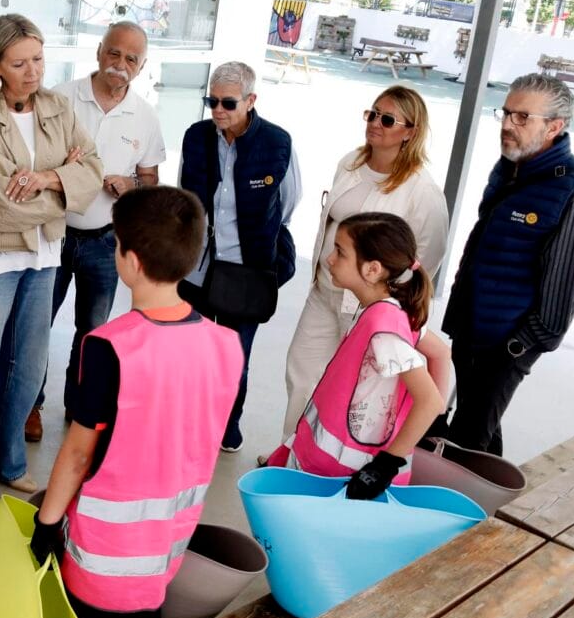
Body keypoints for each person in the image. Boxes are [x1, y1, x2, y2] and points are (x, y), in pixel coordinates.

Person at [29, 186, 242, 618]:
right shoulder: (226, 344)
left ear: (131, 260)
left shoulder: (109, 347)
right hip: (165, 546)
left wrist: (46, 522)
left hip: (100, 554)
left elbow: (78, 453)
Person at [0, 13, 103, 511]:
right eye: (19, 63)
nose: (32, 71)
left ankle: (8, 463)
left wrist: (47, 178)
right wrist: (66, 187)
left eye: (38, 59)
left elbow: (94, 171)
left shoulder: (56, 106)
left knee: (27, 367)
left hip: (44, 252)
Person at [437, 74, 574, 455]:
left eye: (523, 117)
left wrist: (517, 347)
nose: (508, 124)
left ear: (554, 127)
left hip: (506, 346)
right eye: (506, 112)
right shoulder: (509, 169)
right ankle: (488, 492)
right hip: (471, 331)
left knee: (465, 443)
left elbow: (563, 296)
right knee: (478, 436)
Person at [25, 21, 166, 441]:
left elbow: (151, 180)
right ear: (100, 51)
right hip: (53, 232)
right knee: (36, 325)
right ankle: (30, 406)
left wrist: (131, 184)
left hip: (105, 240)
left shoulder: (144, 116)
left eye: (131, 59)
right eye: (114, 53)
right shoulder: (61, 97)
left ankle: (79, 407)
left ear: (142, 67)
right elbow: (32, 159)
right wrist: (65, 169)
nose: (120, 64)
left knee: (91, 331)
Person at [281, 86, 448, 438]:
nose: (375, 123)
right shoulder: (351, 162)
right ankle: (291, 451)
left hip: (366, 305)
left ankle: (325, 458)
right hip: (325, 289)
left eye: (387, 119)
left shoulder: (423, 191)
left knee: (350, 387)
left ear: (410, 132)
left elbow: (427, 257)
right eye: (372, 114)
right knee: (302, 374)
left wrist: (386, 301)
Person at [266, 213, 448, 500]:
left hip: (340, 474)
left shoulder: (383, 328)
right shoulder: (394, 311)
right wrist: (429, 421)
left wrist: (386, 466)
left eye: (340, 252)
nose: (329, 259)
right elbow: (441, 353)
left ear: (372, 270)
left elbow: (430, 401)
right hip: (334, 466)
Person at [179, 61, 301, 454]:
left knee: (234, 357)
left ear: (250, 100)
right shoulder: (196, 136)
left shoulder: (277, 142)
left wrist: (255, 241)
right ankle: (189, 423)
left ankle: (227, 426)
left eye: (228, 103)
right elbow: (185, 196)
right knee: (193, 352)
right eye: (211, 101)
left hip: (246, 273)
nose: (218, 110)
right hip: (198, 269)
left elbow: (287, 203)